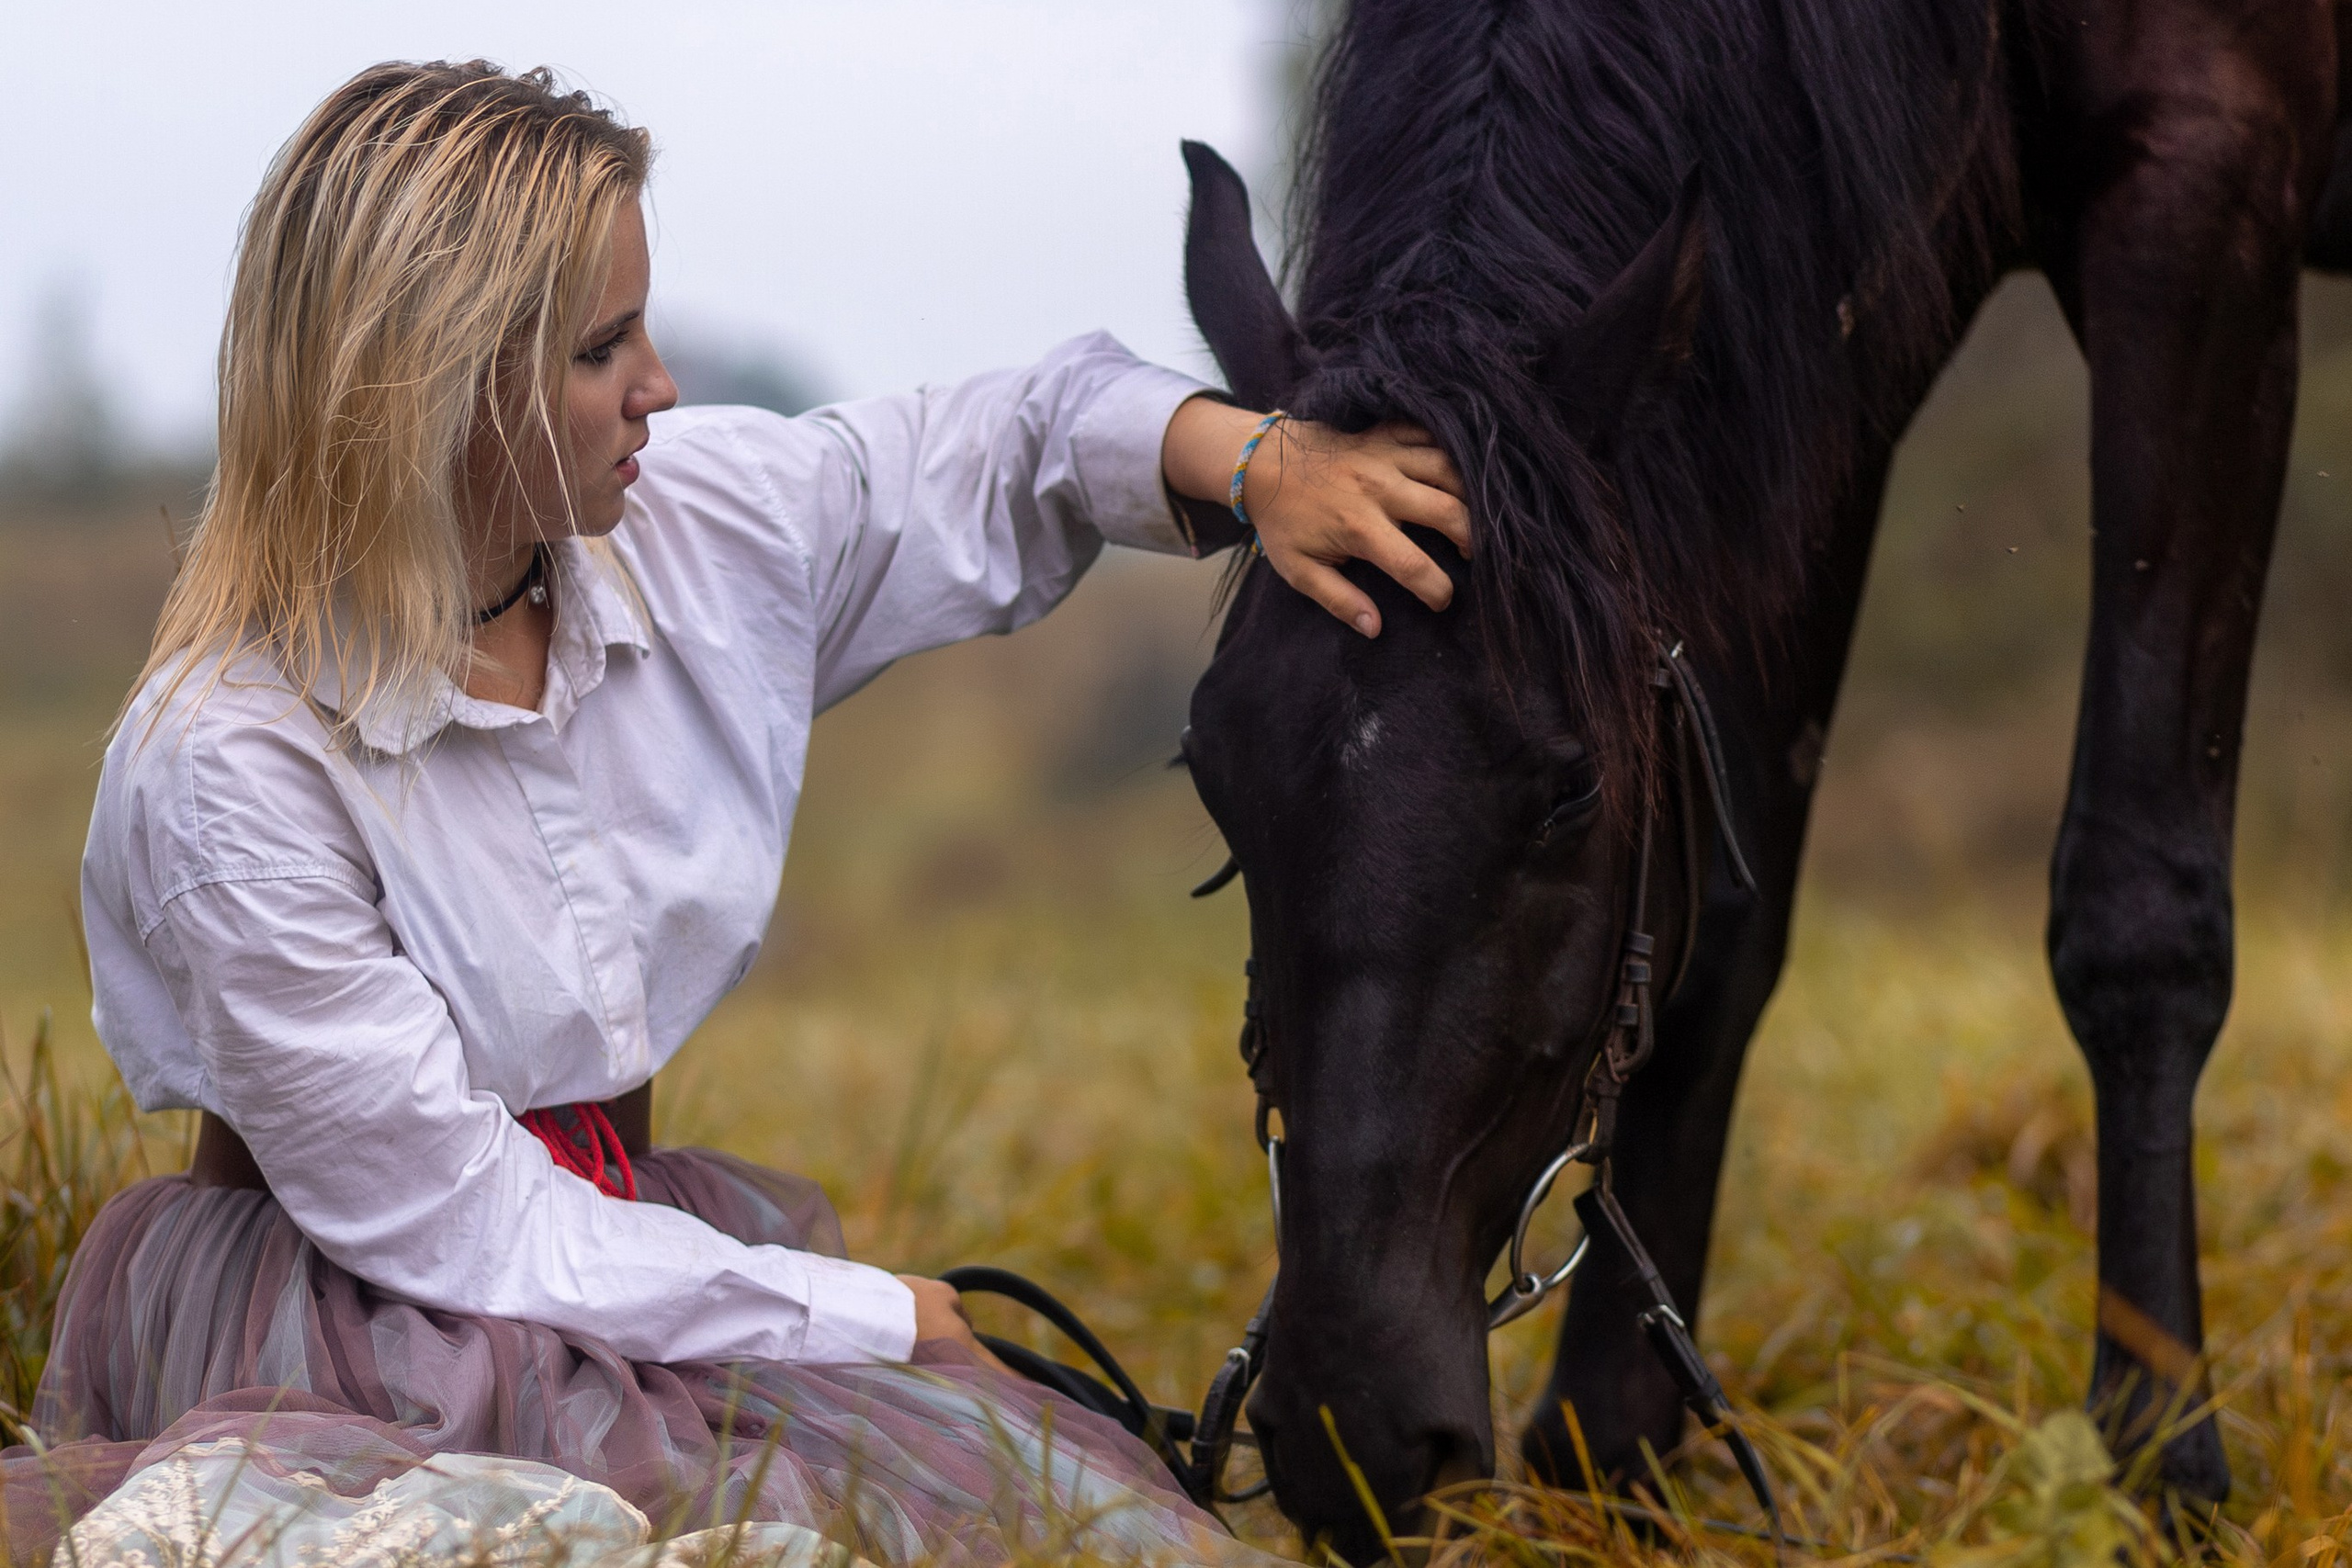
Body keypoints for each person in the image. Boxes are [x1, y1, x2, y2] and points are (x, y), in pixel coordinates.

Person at [18, 59, 1469, 1566]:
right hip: (348, 1320)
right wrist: (868, 1316)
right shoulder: (230, 767)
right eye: (603, 348)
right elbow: (461, 1227)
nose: (660, 385)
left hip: (638, 1260)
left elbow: (1001, 444)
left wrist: (1261, 464)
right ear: (430, 382)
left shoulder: (687, 529)